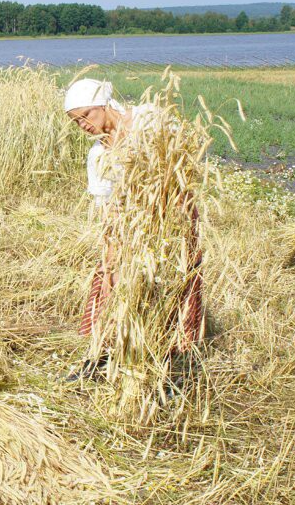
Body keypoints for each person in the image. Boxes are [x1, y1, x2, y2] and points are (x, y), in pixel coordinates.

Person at [64, 78, 204, 380]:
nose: (83, 125)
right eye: (76, 121)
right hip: (132, 226)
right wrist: (112, 250)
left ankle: (172, 362)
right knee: (111, 280)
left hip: (172, 216)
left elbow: (180, 158)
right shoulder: (98, 155)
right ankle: (105, 354)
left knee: (172, 281)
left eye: (86, 115)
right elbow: (107, 207)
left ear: (103, 103)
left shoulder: (146, 119)